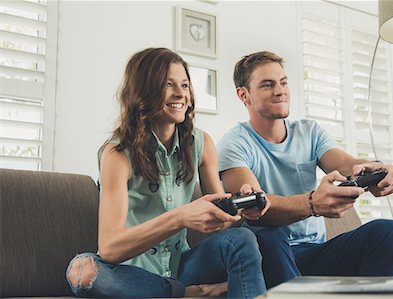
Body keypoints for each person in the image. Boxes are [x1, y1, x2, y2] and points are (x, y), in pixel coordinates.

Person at [65, 47, 270, 298]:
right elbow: (109, 249)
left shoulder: (201, 143)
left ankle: (176, 290)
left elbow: (222, 222)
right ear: (143, 91)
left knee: (242, 239)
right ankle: (184, 294)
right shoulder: (117, 153)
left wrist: (241, 209)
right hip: (133, 273)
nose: (180, 94)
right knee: (83, 272)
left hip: (183, 266)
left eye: (184, 85)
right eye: (168, 85)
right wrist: (180, 217)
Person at [217, 51, 393, 289]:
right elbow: (256, 207)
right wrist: (313, 204)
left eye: (283, 82)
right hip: (269, 256)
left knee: (388, 231)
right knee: (267, 235)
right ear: (243, 95)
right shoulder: (233, 144)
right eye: (267, 85)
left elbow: (347, 165)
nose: (280, 90)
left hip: (316, 252)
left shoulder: (310, 131)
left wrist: (376, 169)